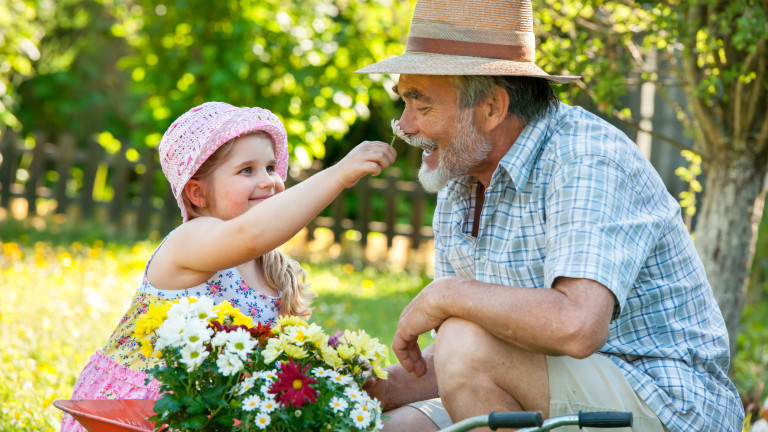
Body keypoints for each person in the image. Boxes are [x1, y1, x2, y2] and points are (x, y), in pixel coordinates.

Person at [357, 1, 744, 431]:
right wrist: (359, 388)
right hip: (558, 387)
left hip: (668, 400)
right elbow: (462, 361)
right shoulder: (460, 181)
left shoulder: (586, 158)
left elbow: (577, 325)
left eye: (421, 105)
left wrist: (445, 295)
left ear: (492, 108)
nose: (404, 125)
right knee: (383, 425)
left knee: (463, 345)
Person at [61, 101, 396, 431]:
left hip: (214, 413)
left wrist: (330, 364)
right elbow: (251, 235)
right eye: (246, 170)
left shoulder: (270, 269)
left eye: (269, 168)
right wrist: (339, 174)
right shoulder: (189, 240)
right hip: (140, 413)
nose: (268, 180)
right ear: (197, 194)